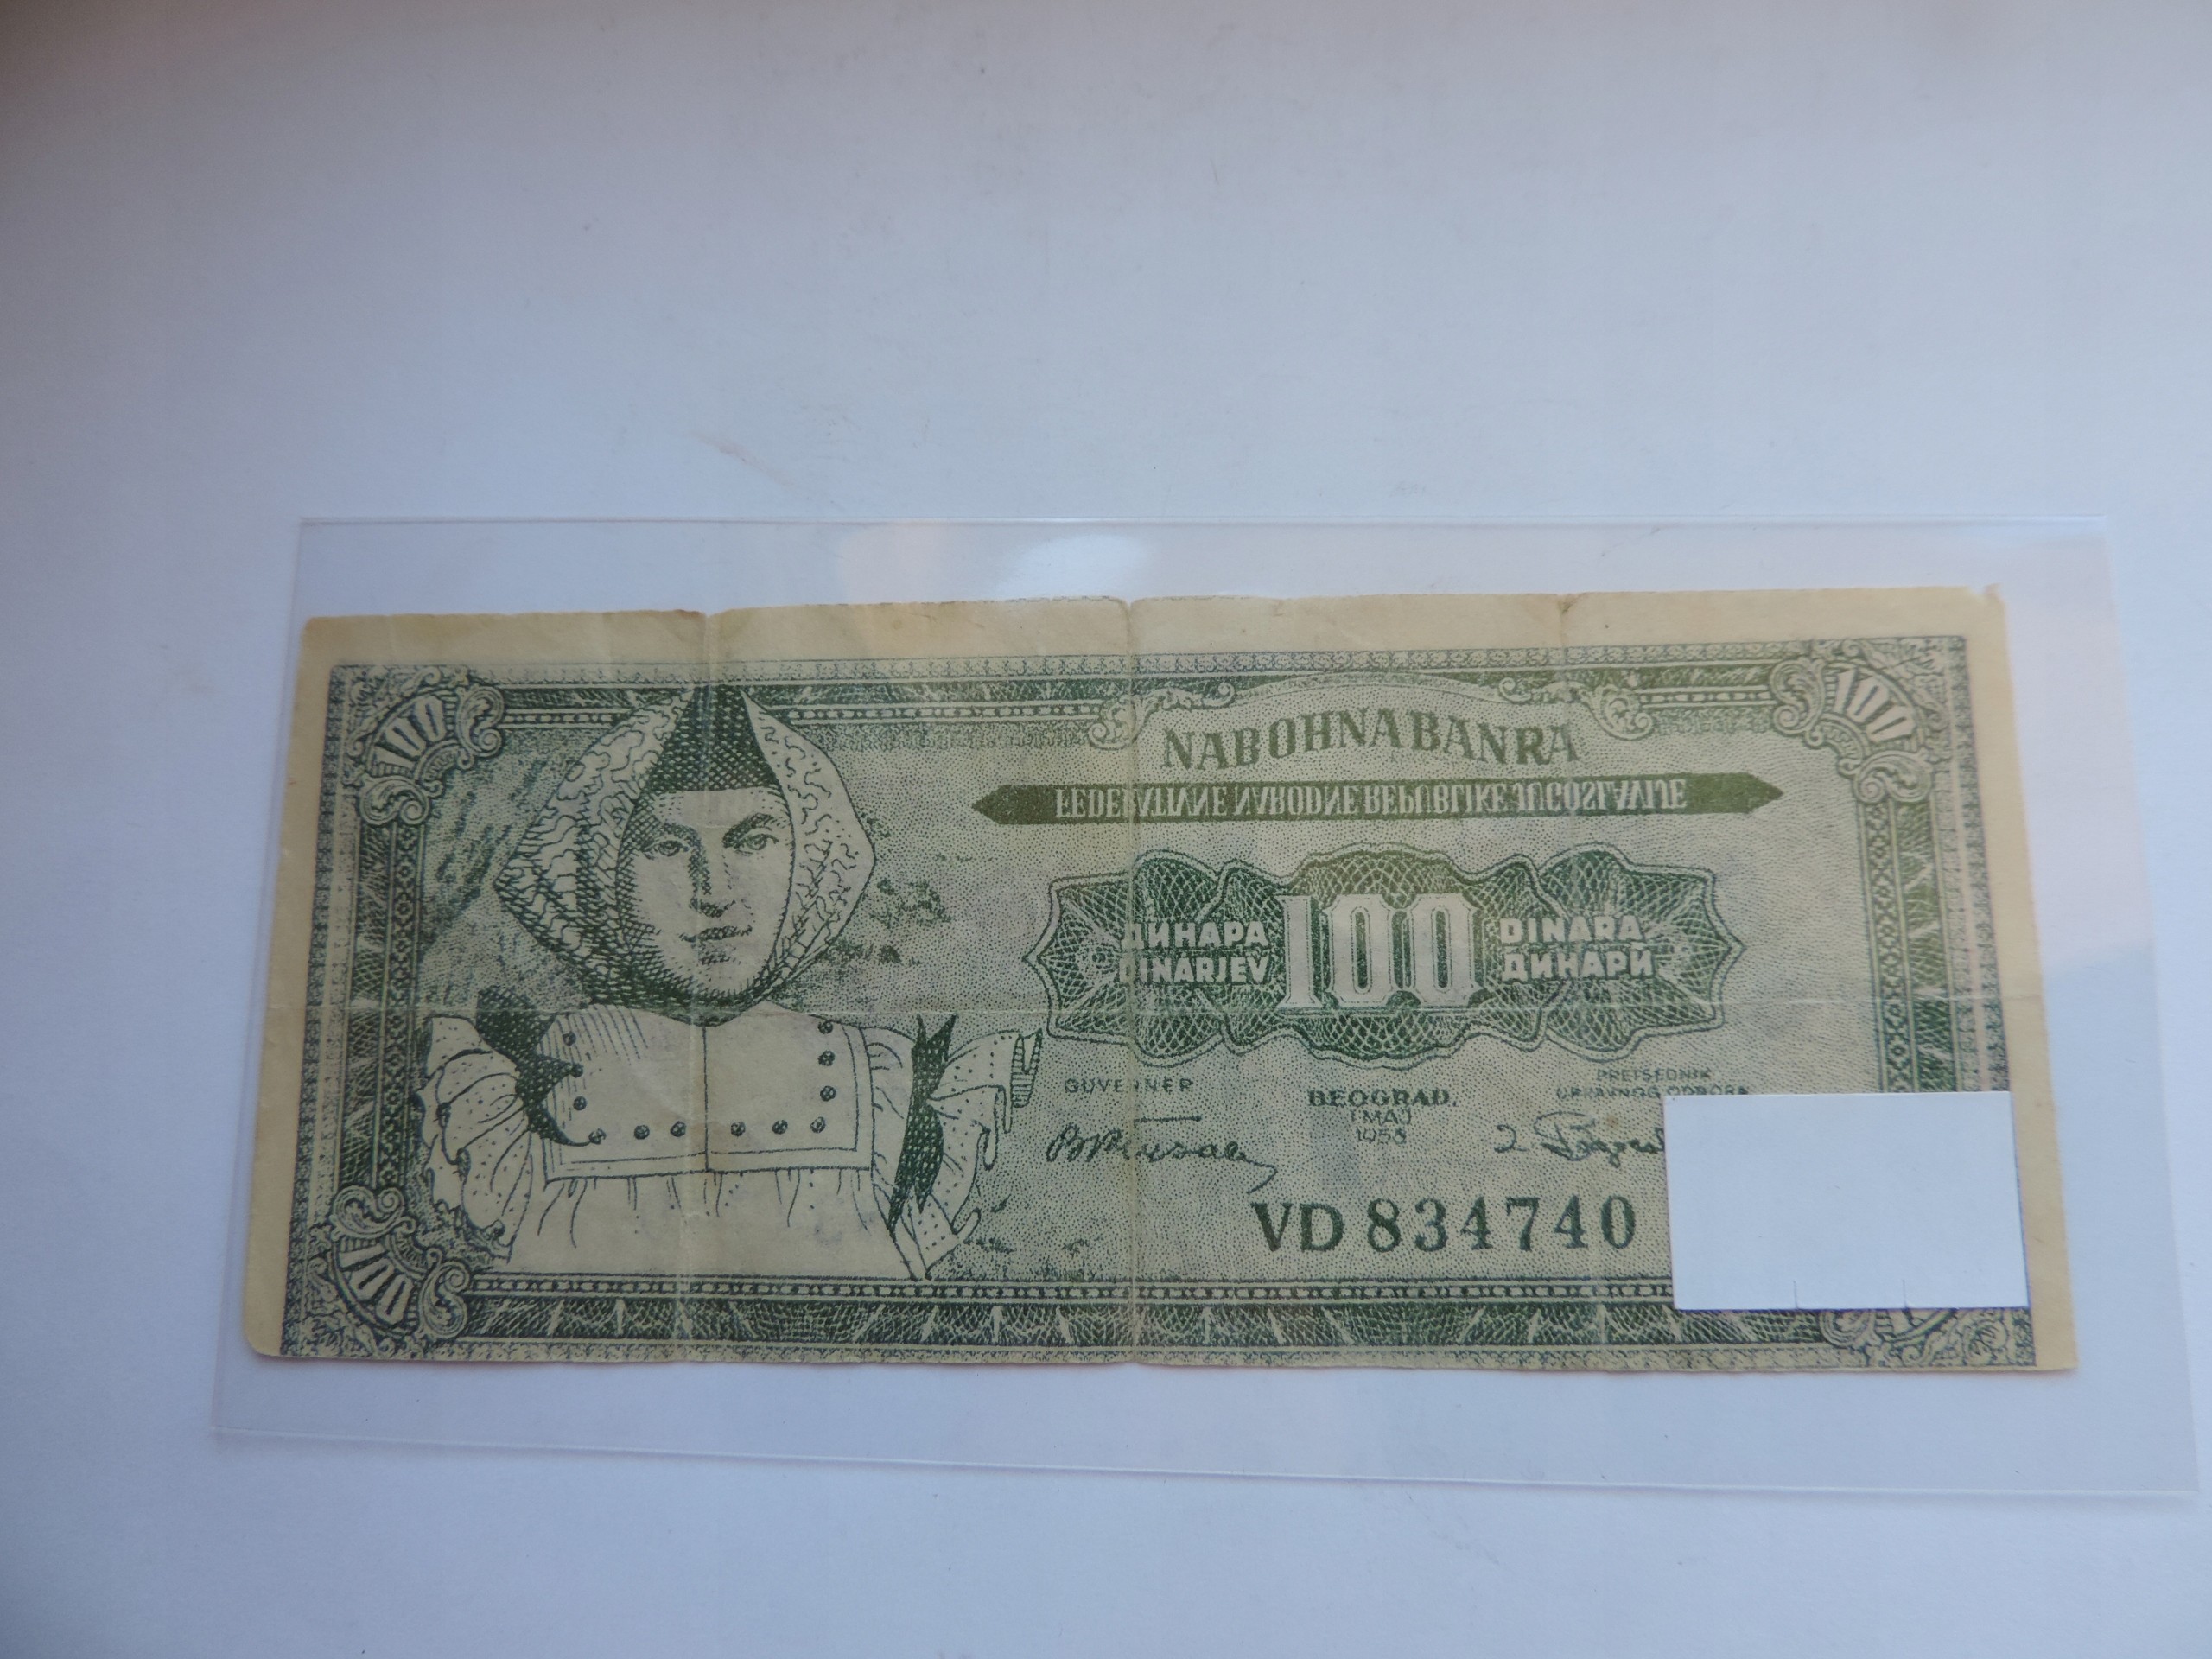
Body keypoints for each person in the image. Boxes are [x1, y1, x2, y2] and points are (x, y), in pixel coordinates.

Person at [415, 684, 1038, 1278]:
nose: (713, 892)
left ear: (811, 858)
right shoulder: (494, 1093)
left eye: (753, 841)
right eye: (667, 847)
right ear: (597, 869)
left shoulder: (887, 1083)